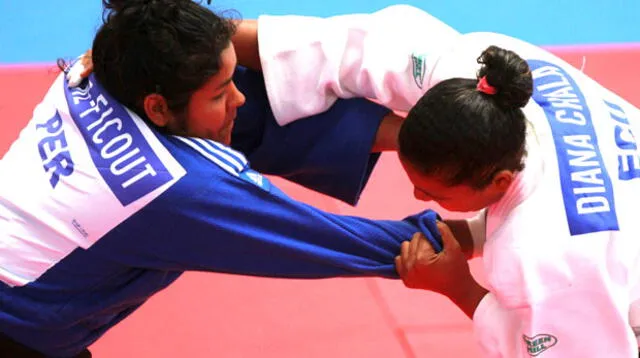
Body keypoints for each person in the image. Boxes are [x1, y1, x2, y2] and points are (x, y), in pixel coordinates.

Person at [0, 1, 448, 357]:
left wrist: (420, 138)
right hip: (17, 336)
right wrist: (475, 231)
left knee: (242, 113)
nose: (236, 97)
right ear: (155, 107)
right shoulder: (175, 191)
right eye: (220, 93)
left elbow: (242, 109)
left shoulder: (96, 68)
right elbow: (334, 242)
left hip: (28, 313)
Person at [240, 5, 640, 357]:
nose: (417, 196)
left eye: (434, 193)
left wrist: (458, 287)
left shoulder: (546, 258)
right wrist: (204, 42)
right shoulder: (475, 73)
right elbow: (341, 46)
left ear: (498, 182)